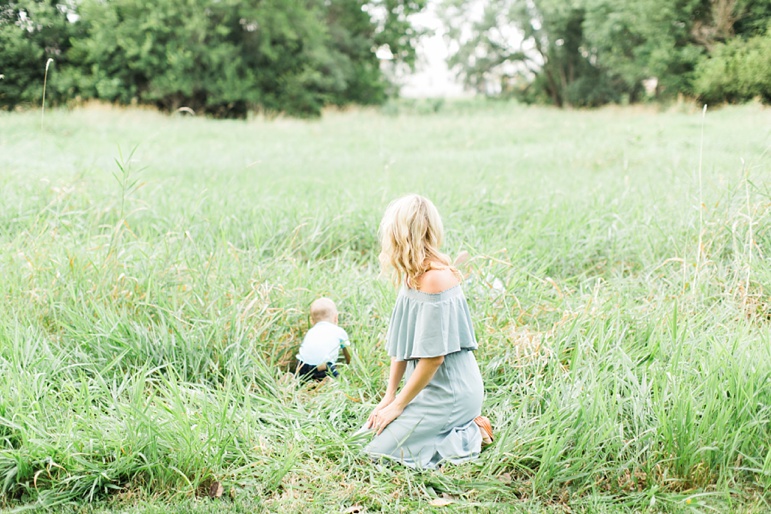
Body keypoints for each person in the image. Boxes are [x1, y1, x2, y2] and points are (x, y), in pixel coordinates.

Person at [362, 194, 493, 469]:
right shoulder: (411, 274)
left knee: (377, 454)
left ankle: (470, 432)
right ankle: (438, 429)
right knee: (366, 435)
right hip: (424, 386)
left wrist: (399, 406)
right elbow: (401, 344)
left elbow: (434, 359)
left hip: (450, 392)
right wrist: (389, 396)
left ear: (401, 234)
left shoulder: (436, 279)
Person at [296, 298, 351, 382]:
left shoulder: (311, 331)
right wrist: (349, 364)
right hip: (323, 367)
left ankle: (294, 379)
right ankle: (327, 382)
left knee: (302, 378)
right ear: (336, 318)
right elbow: (348, 353)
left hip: (302, 365)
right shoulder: (339, 331)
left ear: (312, 321)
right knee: (340, 381)